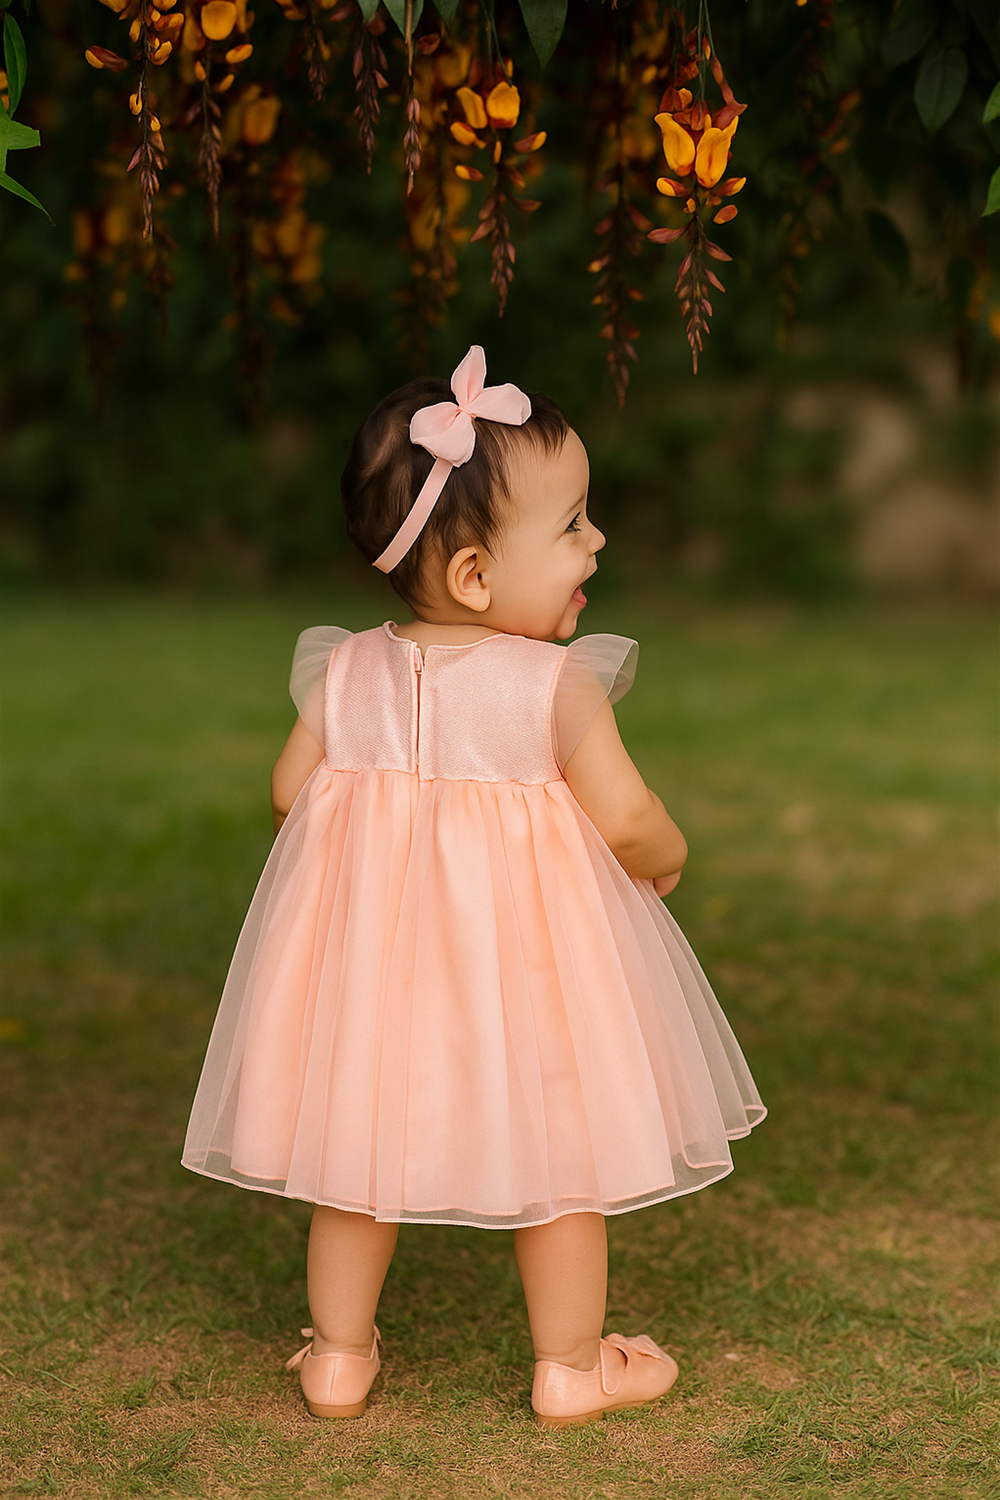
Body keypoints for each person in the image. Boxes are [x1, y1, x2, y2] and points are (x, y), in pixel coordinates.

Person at [182, 346, 765, 1429]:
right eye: (574, 525)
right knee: (563, 1151)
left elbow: (285, 792)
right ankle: (571, 1367)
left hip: (373, 973)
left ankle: (339, 1357)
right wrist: (666, 851)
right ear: (476, 579)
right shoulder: (551, 685)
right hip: (528, 966)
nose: (598, 540)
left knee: (353, 1158)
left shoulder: (345, 667)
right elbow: (629, 817)